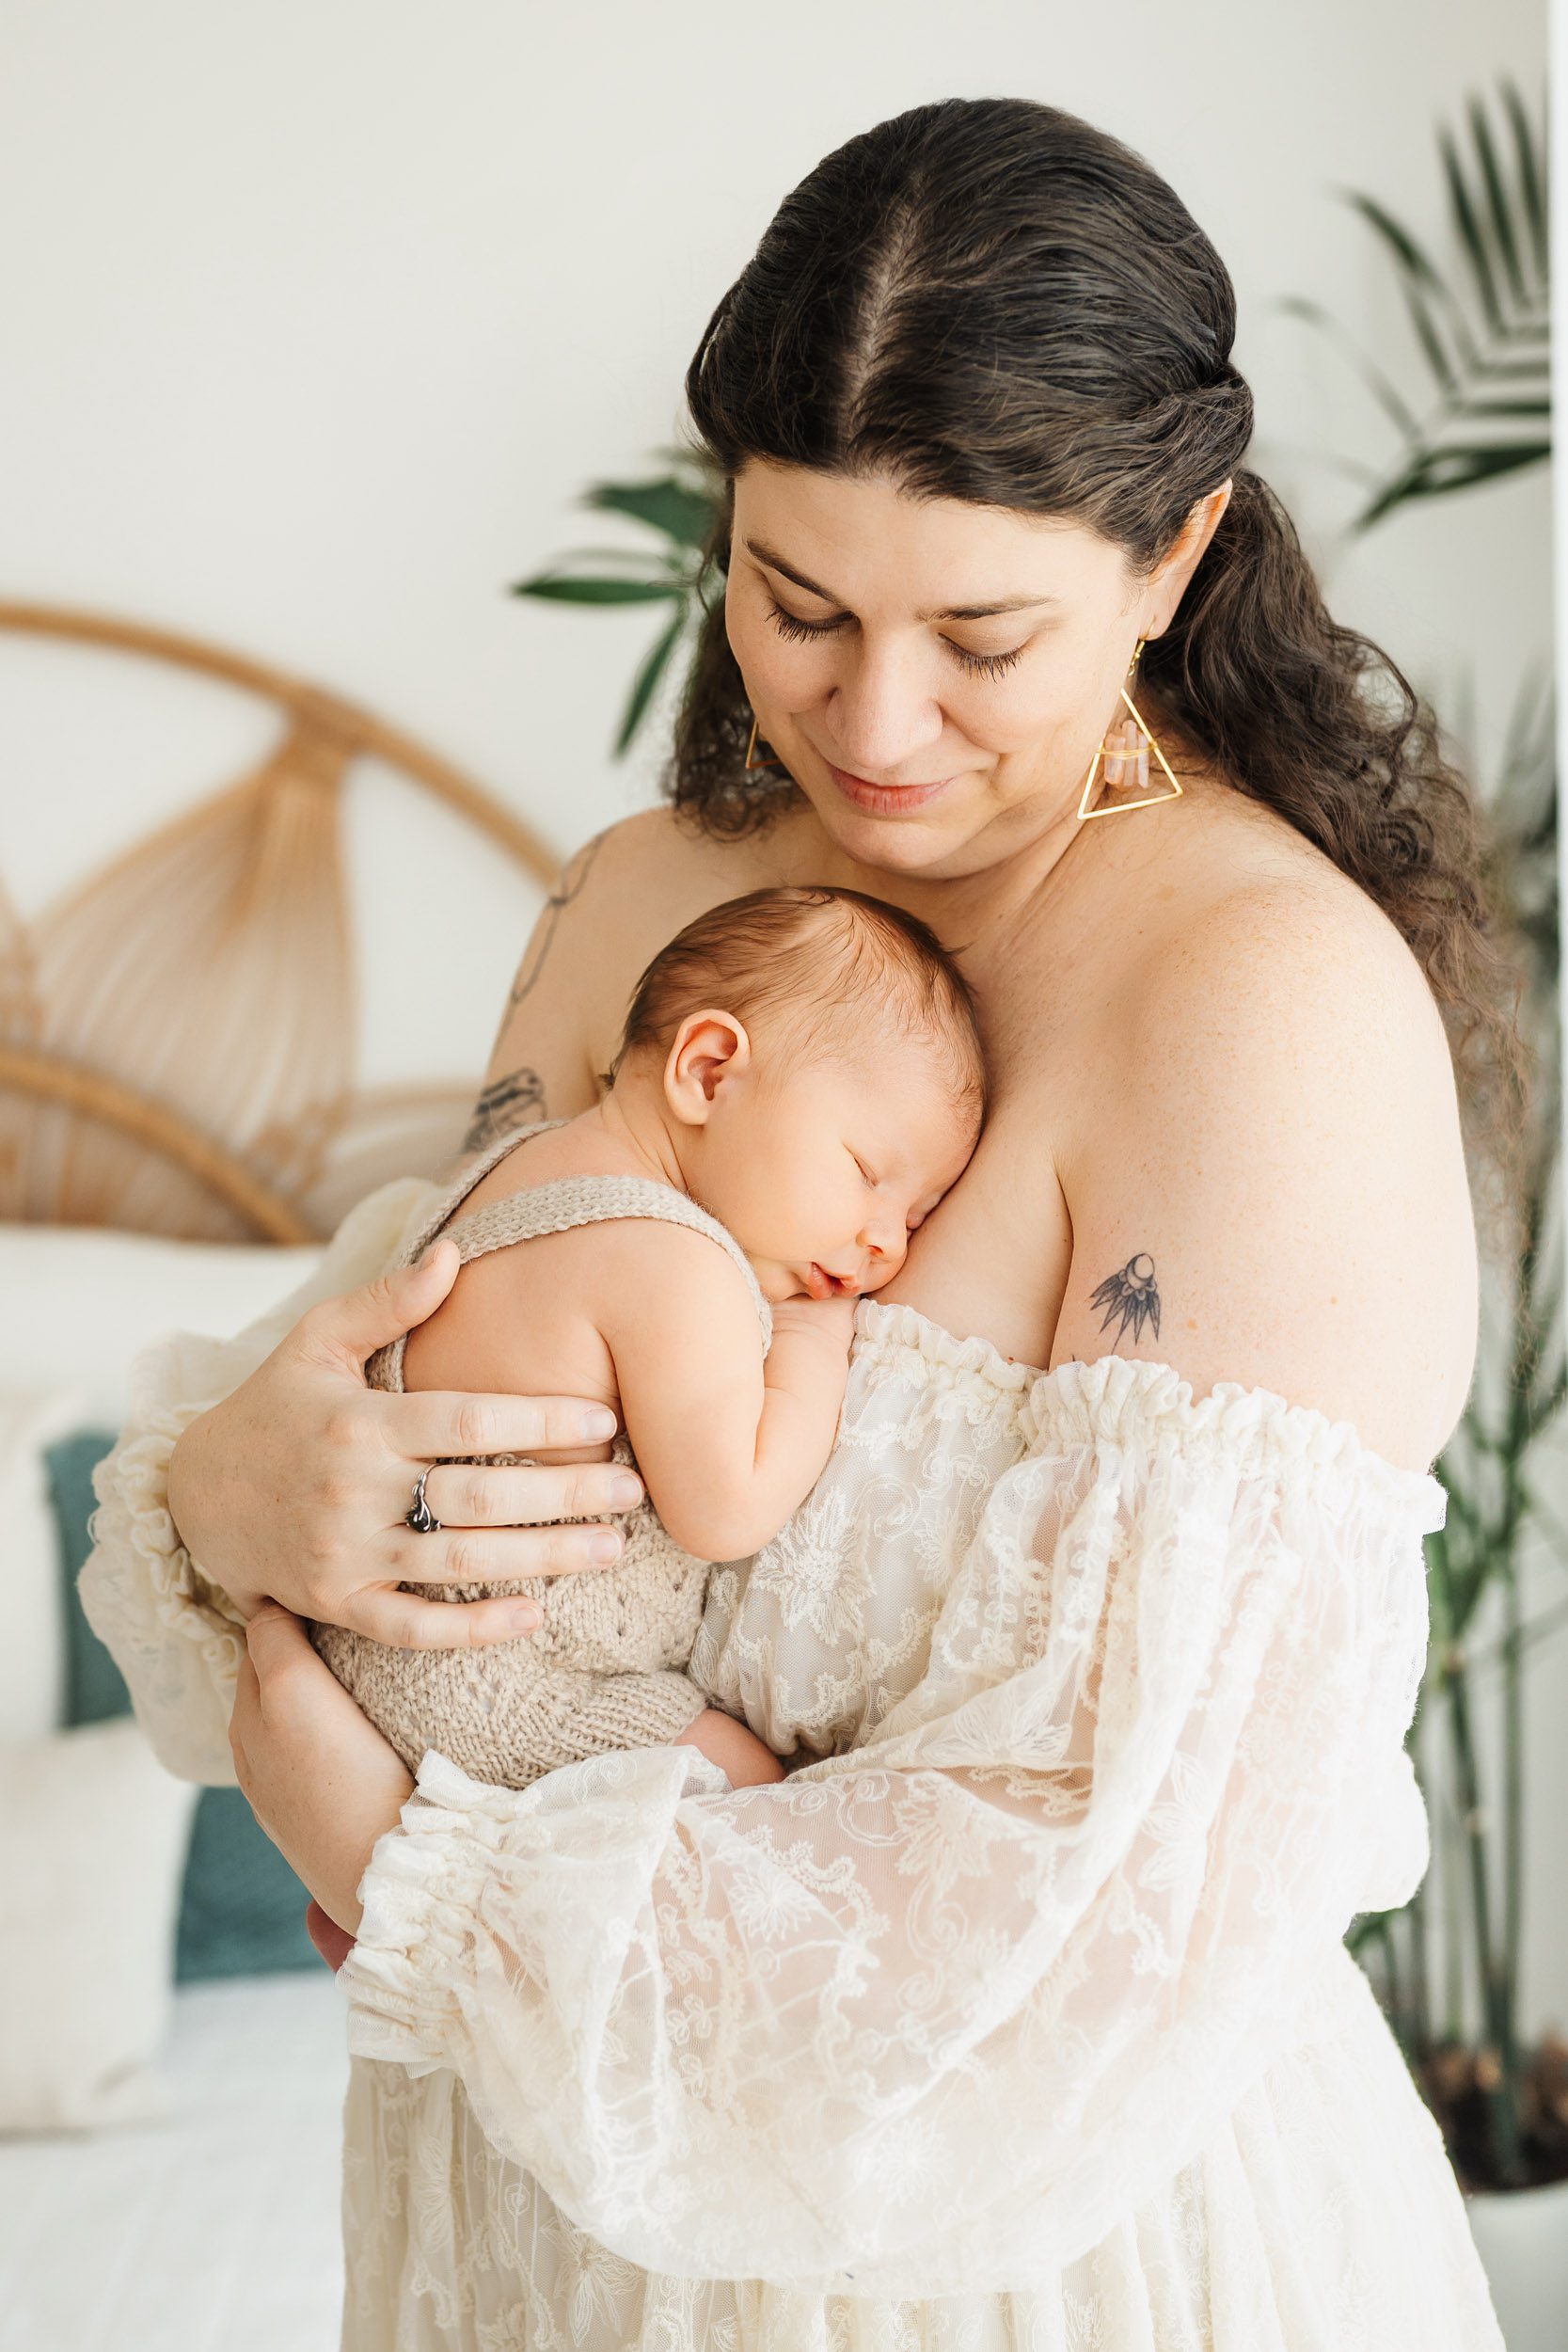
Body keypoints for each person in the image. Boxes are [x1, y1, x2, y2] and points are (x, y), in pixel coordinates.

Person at [80, 94, 1515, 2350]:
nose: (873, 720)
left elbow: (1098, 1920)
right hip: (530, 2234)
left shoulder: (1258, 1007)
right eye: (797, 602)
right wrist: (238, 1491)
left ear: (1174, 557)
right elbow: (395, 1425)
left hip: (1030, 2268)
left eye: (984, 634)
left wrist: (406, 1875)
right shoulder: (646, 911)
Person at [308, 882, 984, 1799]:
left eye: (917, 1212)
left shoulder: (515, 1165)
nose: (887, 1242)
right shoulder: (672, 1261)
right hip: (497, 1690)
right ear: (707, 1072)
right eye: (867, 1172)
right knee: (751, 1787)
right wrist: (814, 1341)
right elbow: (727, 1508)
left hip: (363, 1644)